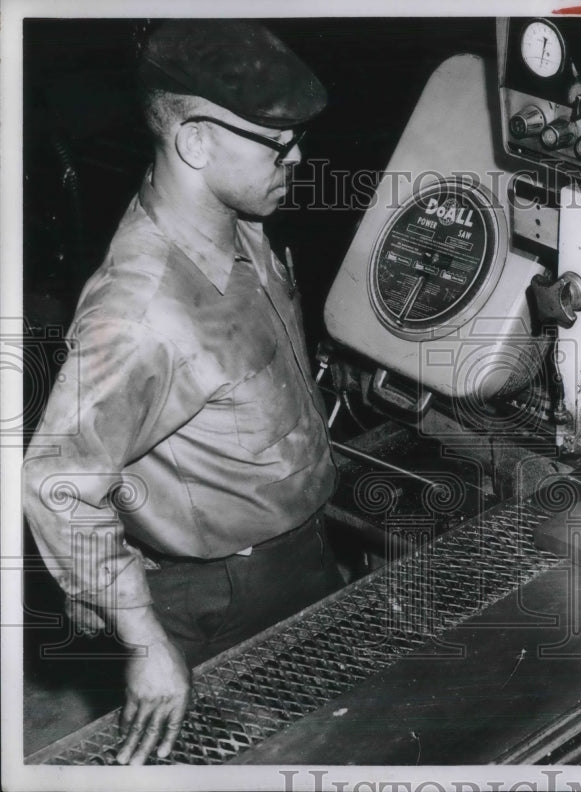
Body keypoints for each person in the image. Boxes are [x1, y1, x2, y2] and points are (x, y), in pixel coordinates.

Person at [22, 20, 341, 766]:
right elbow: (56, 482)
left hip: (300, 553)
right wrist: (141, 634)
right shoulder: (141, 313)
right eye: (279, 144)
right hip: (222, 596)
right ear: (196, 142)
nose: (297, 157)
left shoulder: (239, 223)